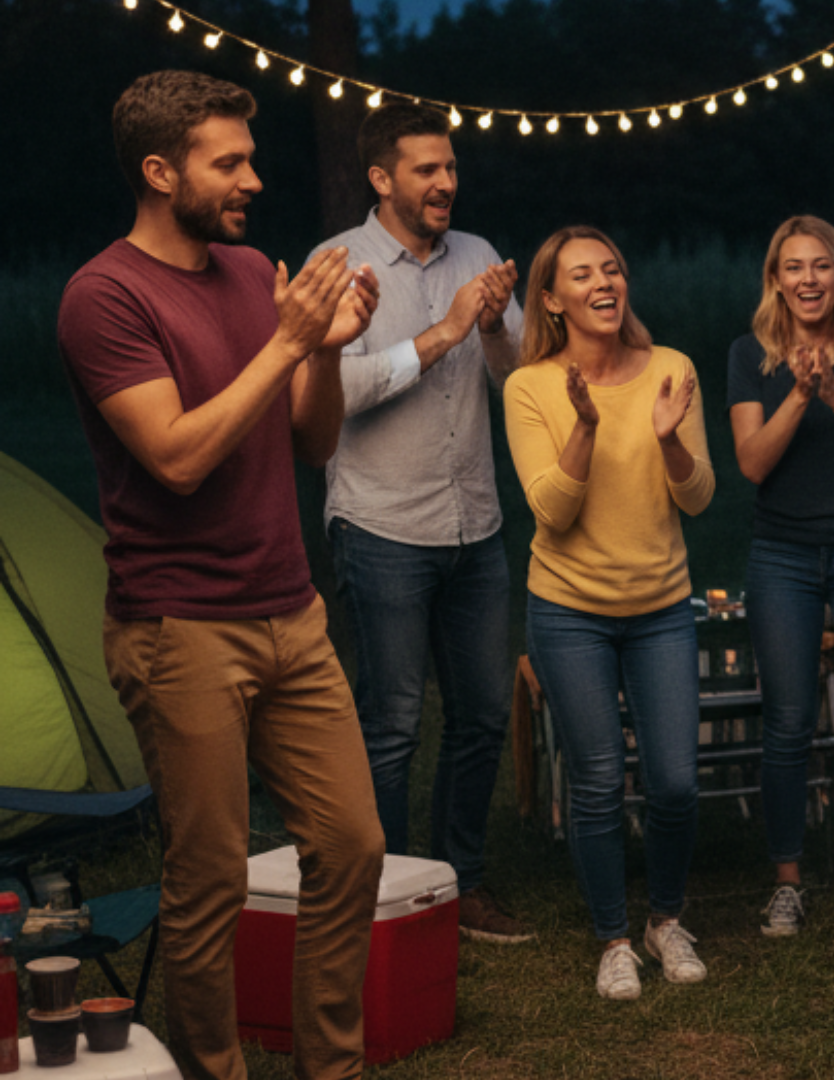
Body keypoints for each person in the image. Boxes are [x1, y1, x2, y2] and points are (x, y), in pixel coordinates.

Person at [56, 70, 384, 1080]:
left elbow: (313, 442)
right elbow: (180, 457)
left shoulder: (250, 275)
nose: (251, 176)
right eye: (227, 161)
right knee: (209, 883)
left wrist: (322, 354)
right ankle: (216, 1072)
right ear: (161, 172)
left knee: (354, 844)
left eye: (249, 157)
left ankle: (330, 1067)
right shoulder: (102, 296)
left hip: (292, 614)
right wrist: (285, 340)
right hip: (179, 629)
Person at [314, 101, 532, 944]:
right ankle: (383, 904)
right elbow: (338, 391)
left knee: (481, 715)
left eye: (450, 167)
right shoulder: (338, 262)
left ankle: (459, 883)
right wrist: (444, 333)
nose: (447, 182)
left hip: (474, 524)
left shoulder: (475, 254)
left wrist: (489, 328)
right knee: (393, 725)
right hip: (382, 527)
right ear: (382, 179)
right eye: (427, 170)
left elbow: (511, 376)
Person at [503, 225, 716, 1000]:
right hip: (569, 611)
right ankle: (614, 939)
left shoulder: (671, 371)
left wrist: (669, 443)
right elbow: (550, 512)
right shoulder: (530, 388)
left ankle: (665, 921)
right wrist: (588, 427)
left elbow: (699, 497)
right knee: (596, 779)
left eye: (614, 269)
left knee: (675, 783)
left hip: (660, 606)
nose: (605, 282)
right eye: (583, 274)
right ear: (553, 300)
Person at [726, 216, 834, 936]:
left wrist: (832, 393)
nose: (808, 280)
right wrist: (799, 394)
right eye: (793, 267)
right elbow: (752, 465)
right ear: (775, 279)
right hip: (784, 557)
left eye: (821, 266)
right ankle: (788, 881)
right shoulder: (749, 357)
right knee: (790, 720)